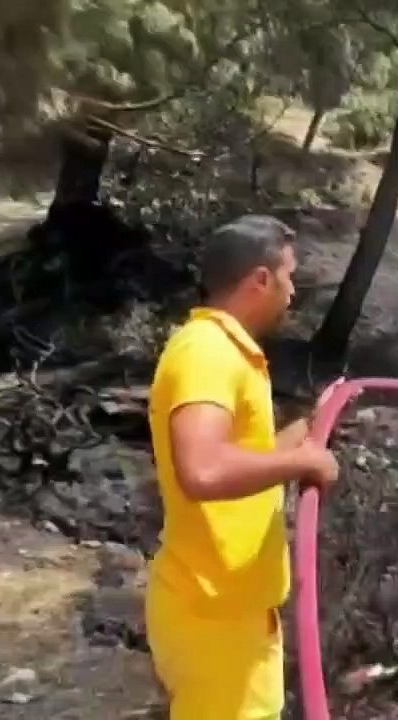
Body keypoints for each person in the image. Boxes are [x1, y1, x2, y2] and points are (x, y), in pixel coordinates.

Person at [144, 214, 340, 720]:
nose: (293, 291)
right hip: (213, 617)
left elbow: (243, 457)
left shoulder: (225, 350)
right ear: (259, 279)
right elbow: (204, 469)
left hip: (237, 612)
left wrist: (306, 433)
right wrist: (303, 461)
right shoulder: (206, 351)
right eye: (289, 276)